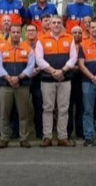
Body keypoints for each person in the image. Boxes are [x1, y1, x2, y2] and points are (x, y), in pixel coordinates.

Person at [36, 15, 77, 147]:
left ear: (62, 24)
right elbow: (39, 60)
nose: (56, 25)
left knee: (63, 109)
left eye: (59, 22)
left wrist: (63, 71)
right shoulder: (41, 39)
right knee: (47, 108)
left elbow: (73, 58)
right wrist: (54, 71)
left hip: (65, 79)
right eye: (53, 22)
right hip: (47, 80)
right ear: (49, 25)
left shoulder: (69, 38)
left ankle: (62, 137)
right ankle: (47, 137)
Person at [0, 24, 35, 148]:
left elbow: (31, 66)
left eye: (18, 32)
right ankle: (4, 138)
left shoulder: (28, 48)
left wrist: (19, 77)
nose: (16, 34)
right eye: (13, 32)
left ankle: (23, 138)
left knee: (23, 113)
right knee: (4, 113)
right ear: (10, 33)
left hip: (22, 85)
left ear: (21, 33)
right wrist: (9, 78)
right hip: (5, 85)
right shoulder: (1, 48)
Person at [26, 24, 44, 139]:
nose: (31, 32)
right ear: (26, 33)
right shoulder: (23, 45)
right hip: (25, 78)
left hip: (38, 78)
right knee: (22, 107)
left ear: (37, 32)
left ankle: (39, 132)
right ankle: (20, 132)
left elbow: (46, 59)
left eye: (33, 30)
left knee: (39, 106)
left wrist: (38, 69)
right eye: (29, 30)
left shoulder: (41, 44)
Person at [67, 26, 84, 140]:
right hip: (69, 76)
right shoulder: (67, 45)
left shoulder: (85, 45)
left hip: (82, 77)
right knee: (68, 105)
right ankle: (68, 131)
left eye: (79, 32)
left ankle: (80, 131)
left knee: (80, 106)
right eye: (74, 32)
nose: (77, 34)